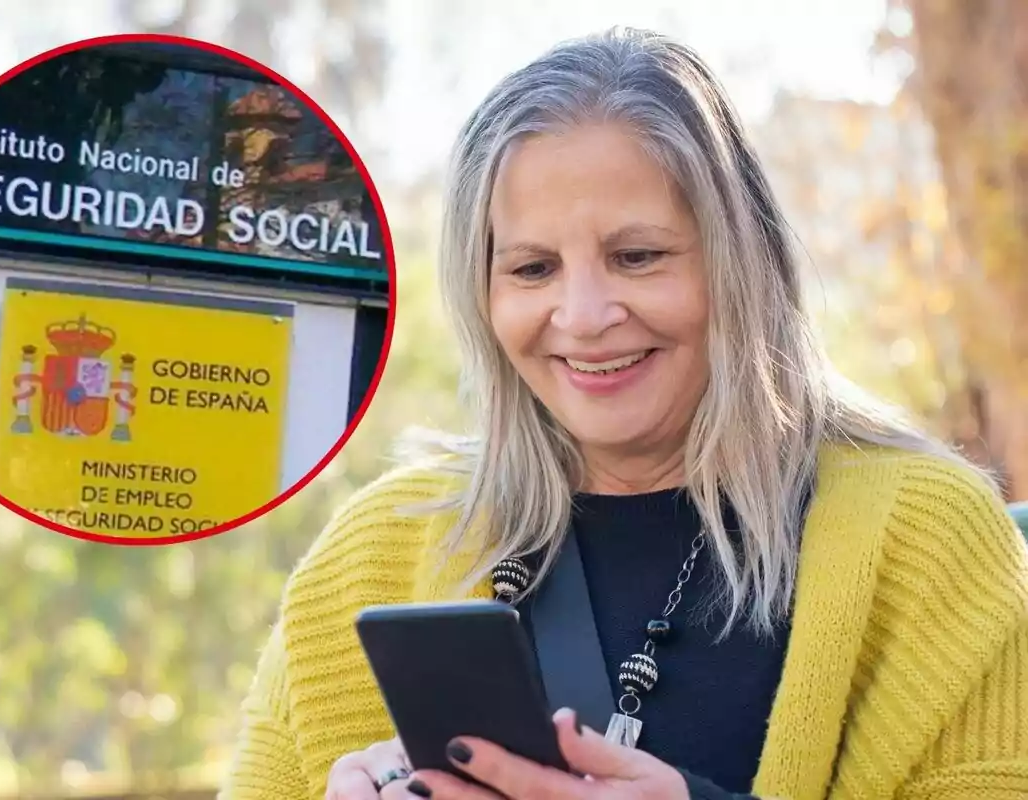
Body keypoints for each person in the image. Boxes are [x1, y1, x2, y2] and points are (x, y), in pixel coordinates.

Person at [222, 27, 1028, 800]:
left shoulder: (928, 539)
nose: (582, 315)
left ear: (741, 263)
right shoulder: (372, 553)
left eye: (637, 256)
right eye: (533, 268)